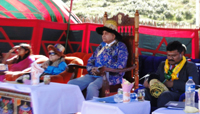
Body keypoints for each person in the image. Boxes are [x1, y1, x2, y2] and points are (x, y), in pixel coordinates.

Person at [68, 20, 128, 100]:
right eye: (103, 33)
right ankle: (72, 109)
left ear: (113, 36)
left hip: (110, 77)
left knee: (92, 87)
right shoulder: (101, 46)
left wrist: (102, 69)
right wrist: (92, 69)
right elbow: (91, 60)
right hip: (94, 74)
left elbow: (121, 65)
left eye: (106, 33)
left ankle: (91, 110)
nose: (103, 35)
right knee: (71, 84)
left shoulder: (120, 46)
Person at [143, 41, 199, 108]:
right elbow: (156, 76)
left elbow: (195, 85)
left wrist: (173, 84)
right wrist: (148, 81)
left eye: (174, 56)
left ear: (182, 53)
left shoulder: (190, 66)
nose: (170, 58)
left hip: (179, 93)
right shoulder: (163, 64)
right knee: (145, 92)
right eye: (168, 55)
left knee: (165, 95)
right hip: (161, 91)